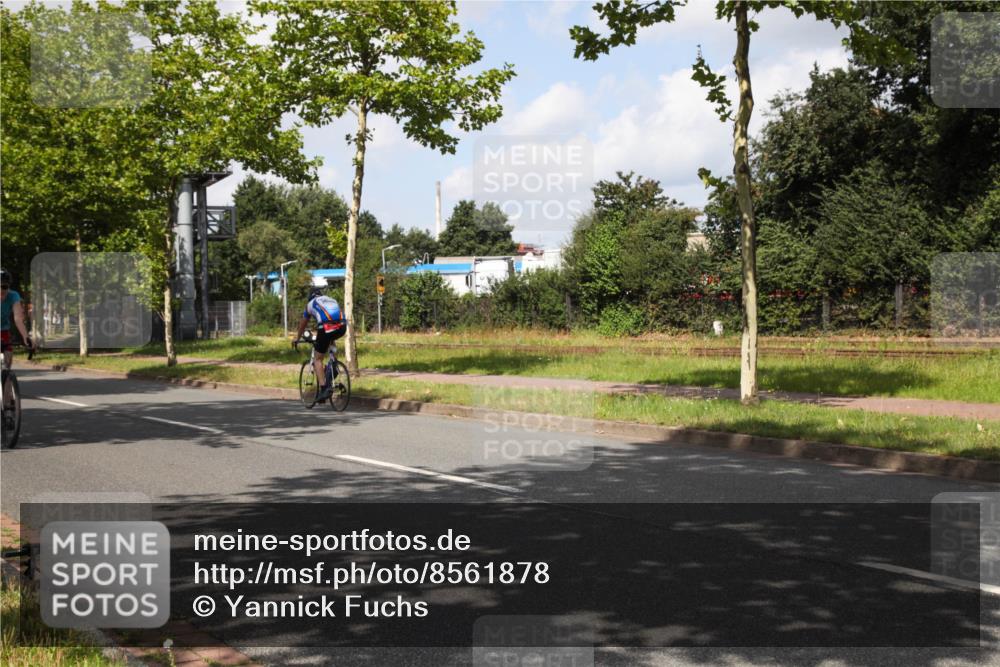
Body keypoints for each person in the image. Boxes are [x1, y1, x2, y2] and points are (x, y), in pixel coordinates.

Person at [294, 286, 346, 401]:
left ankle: (324, 389)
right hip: (342, 326)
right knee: (330, 340)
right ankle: (333, 366)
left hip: (326, 327)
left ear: (310, 297)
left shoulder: (310, 304)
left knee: (318, 359)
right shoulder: (331, 299)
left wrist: (297, 338)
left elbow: (303, 323)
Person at [2, 269, 33, 416]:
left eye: (5, 287)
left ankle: (7, 406)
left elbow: (18, 319)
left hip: (3, 332)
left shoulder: (13, 296)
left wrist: (26, 338)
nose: (2, 290)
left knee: (6, 368)